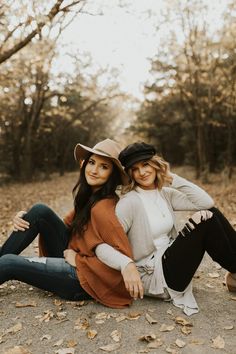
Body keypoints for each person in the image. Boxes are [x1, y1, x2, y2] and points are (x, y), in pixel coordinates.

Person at [95, 142, 236, 315]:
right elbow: (103, 245)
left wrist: (171, 178)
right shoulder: (129, 203)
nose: (142, 172)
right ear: (130, 173)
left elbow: (206, 202)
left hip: (171, 261)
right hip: (156, 276)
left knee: (211, 213)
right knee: (205, 220)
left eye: (145, 164)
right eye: (135, 168)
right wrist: (126, 265)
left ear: (155, 165)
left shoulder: (165, 194)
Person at [0, 139, 142, 308]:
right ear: (84, 164)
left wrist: (79, 260)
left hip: (81, 281)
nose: (94, 170)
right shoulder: (90, 197)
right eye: (92, 162)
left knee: (8, 263)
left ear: (112, 174)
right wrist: (27, 218)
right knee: (39, 211)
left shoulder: (104, 209)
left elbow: (119, 259)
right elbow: (64, 227)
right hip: (72, 259)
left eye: (104, 167)